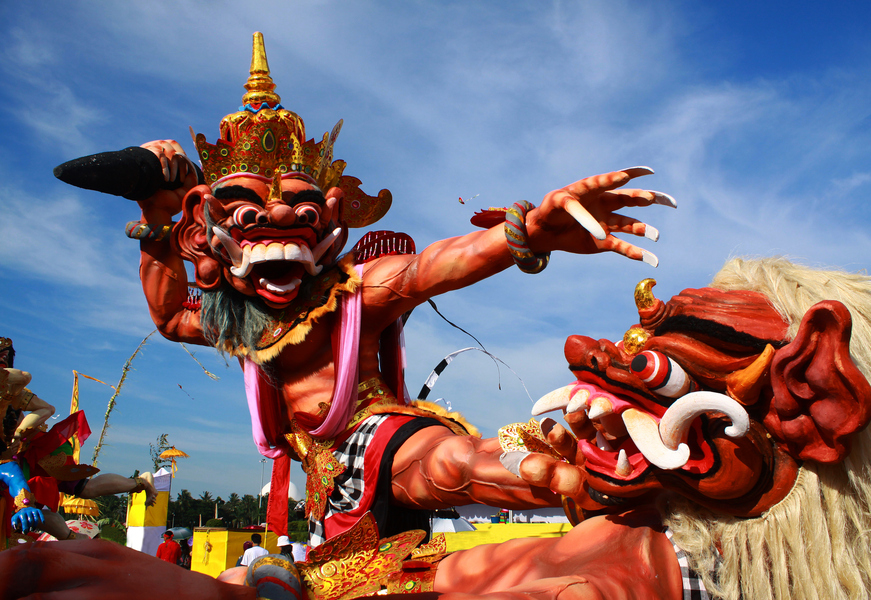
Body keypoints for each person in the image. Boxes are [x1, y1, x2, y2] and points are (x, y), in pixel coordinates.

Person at [54, 32, 672, 546]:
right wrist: (154, 220)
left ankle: (597, 475)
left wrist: (528, 229)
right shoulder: (241, 319)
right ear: (209, 231)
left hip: (381, 434)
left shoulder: (350, 293)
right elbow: (169, 318)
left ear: (329, 220)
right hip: (326, 484)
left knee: (453, 466)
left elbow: (432, 266)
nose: (279, 233)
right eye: (248, 217)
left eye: (299, 214)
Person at [0, 337, 158, 545]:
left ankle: (139, 483)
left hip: (31, 453)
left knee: (82, 489)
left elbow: (44, 406)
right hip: (18, 454)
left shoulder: (9, 387)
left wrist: (19, 434)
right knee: (33, 506)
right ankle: (75, 539)